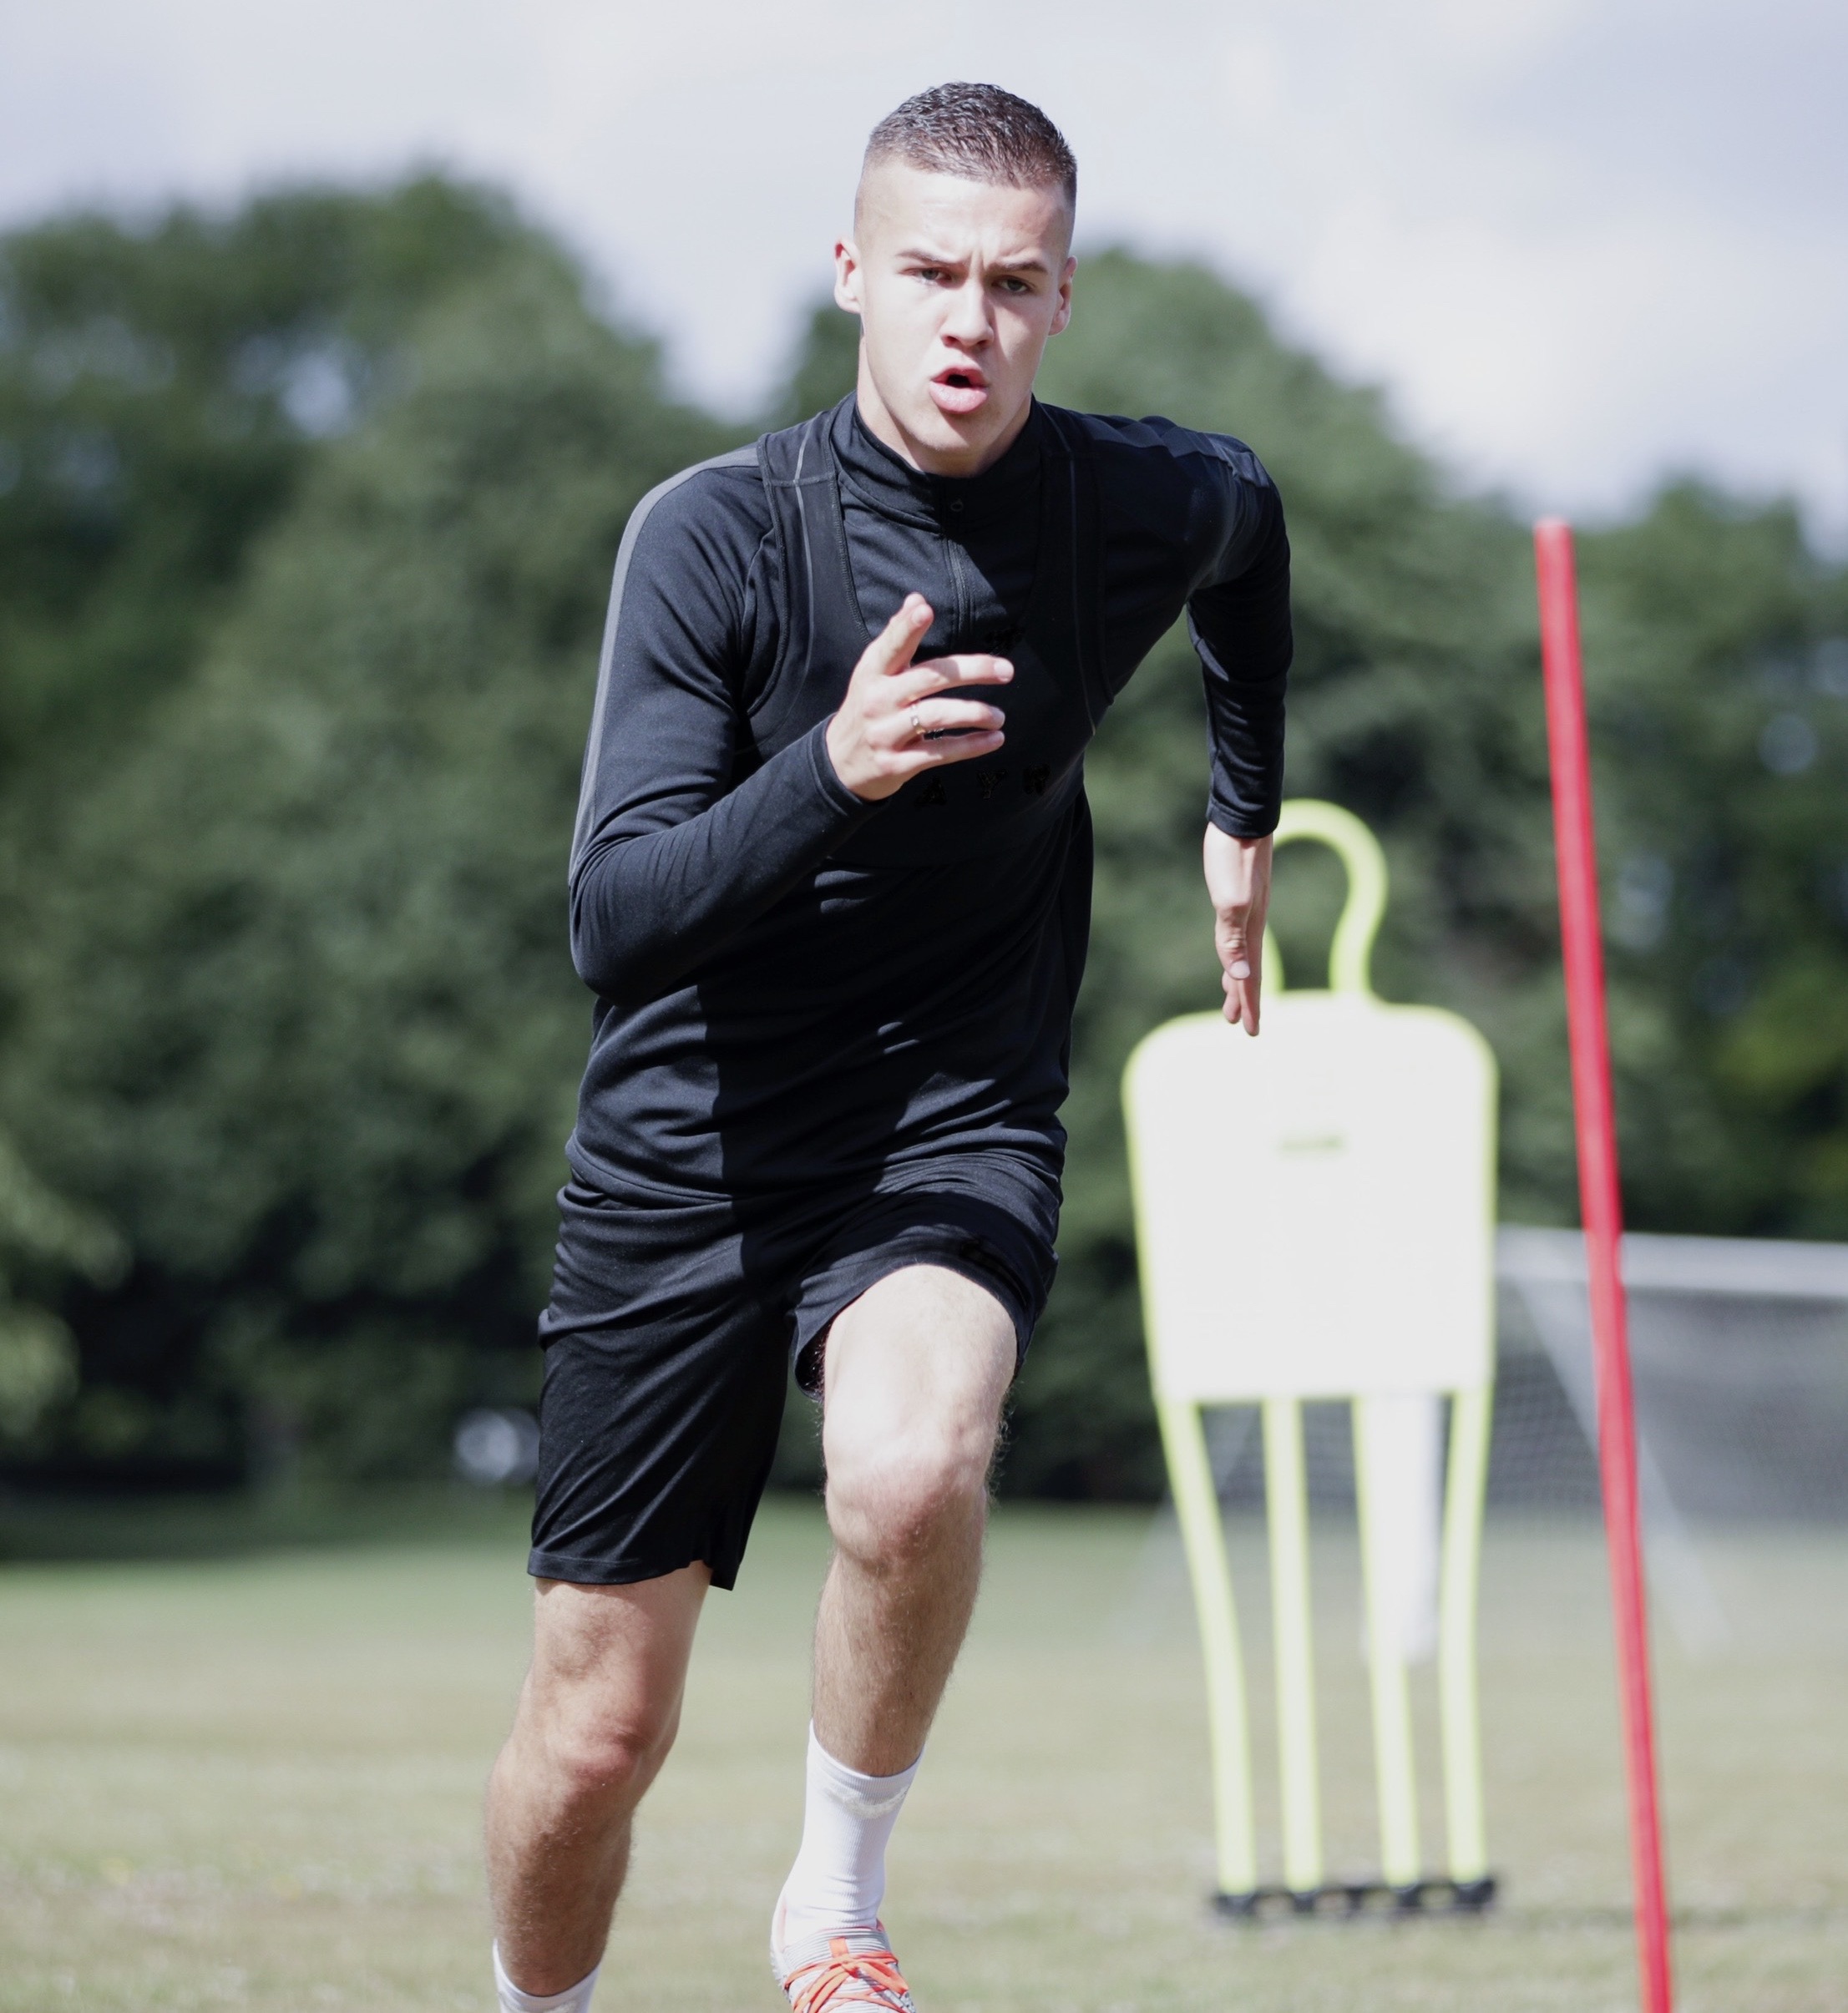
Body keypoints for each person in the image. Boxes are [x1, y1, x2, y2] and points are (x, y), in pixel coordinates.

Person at [484, 80, 1290, 2013]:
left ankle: (834, 1903)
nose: (966, 322)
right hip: (696, 1137)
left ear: (1064, 297)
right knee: (597, 1735)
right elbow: (613, 918)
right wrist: (826, 773)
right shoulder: (715, 539)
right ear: (851, 270)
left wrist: (1240, 810)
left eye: (1013, 283)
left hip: (952, 1104)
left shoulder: (1129, 503)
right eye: (928, 270)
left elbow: (1252, 539)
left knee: (916, 1470)